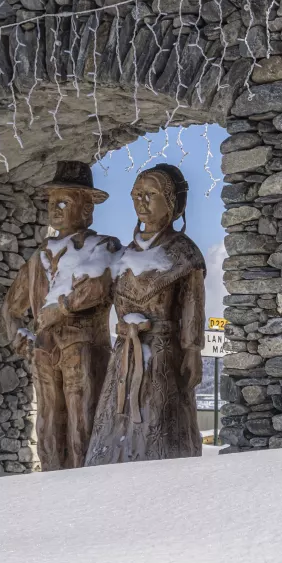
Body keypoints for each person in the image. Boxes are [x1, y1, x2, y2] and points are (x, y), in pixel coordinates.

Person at [1, 161, 121, 471]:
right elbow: (11, 307)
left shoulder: (103, 246)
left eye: (64, 201)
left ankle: (86, 487)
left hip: (84, 350)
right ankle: (52, 485)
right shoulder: (39, 256)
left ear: (86, 209)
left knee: (84, 422)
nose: (56, 208)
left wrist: (61, 307)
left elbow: (96, 286)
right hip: (45, 352)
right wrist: (18, 335)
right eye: (53, 202)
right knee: (48, 423)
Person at [85, 164, 207, 466]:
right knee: (117, 420)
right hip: (124, 355)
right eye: (136, 195)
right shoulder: (124, 255)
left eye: (150, 194)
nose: (141, 202)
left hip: (164, 355)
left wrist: (193, 350)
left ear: (171, 201)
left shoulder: (184, 253)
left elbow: (193, 307)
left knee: (159, 423)